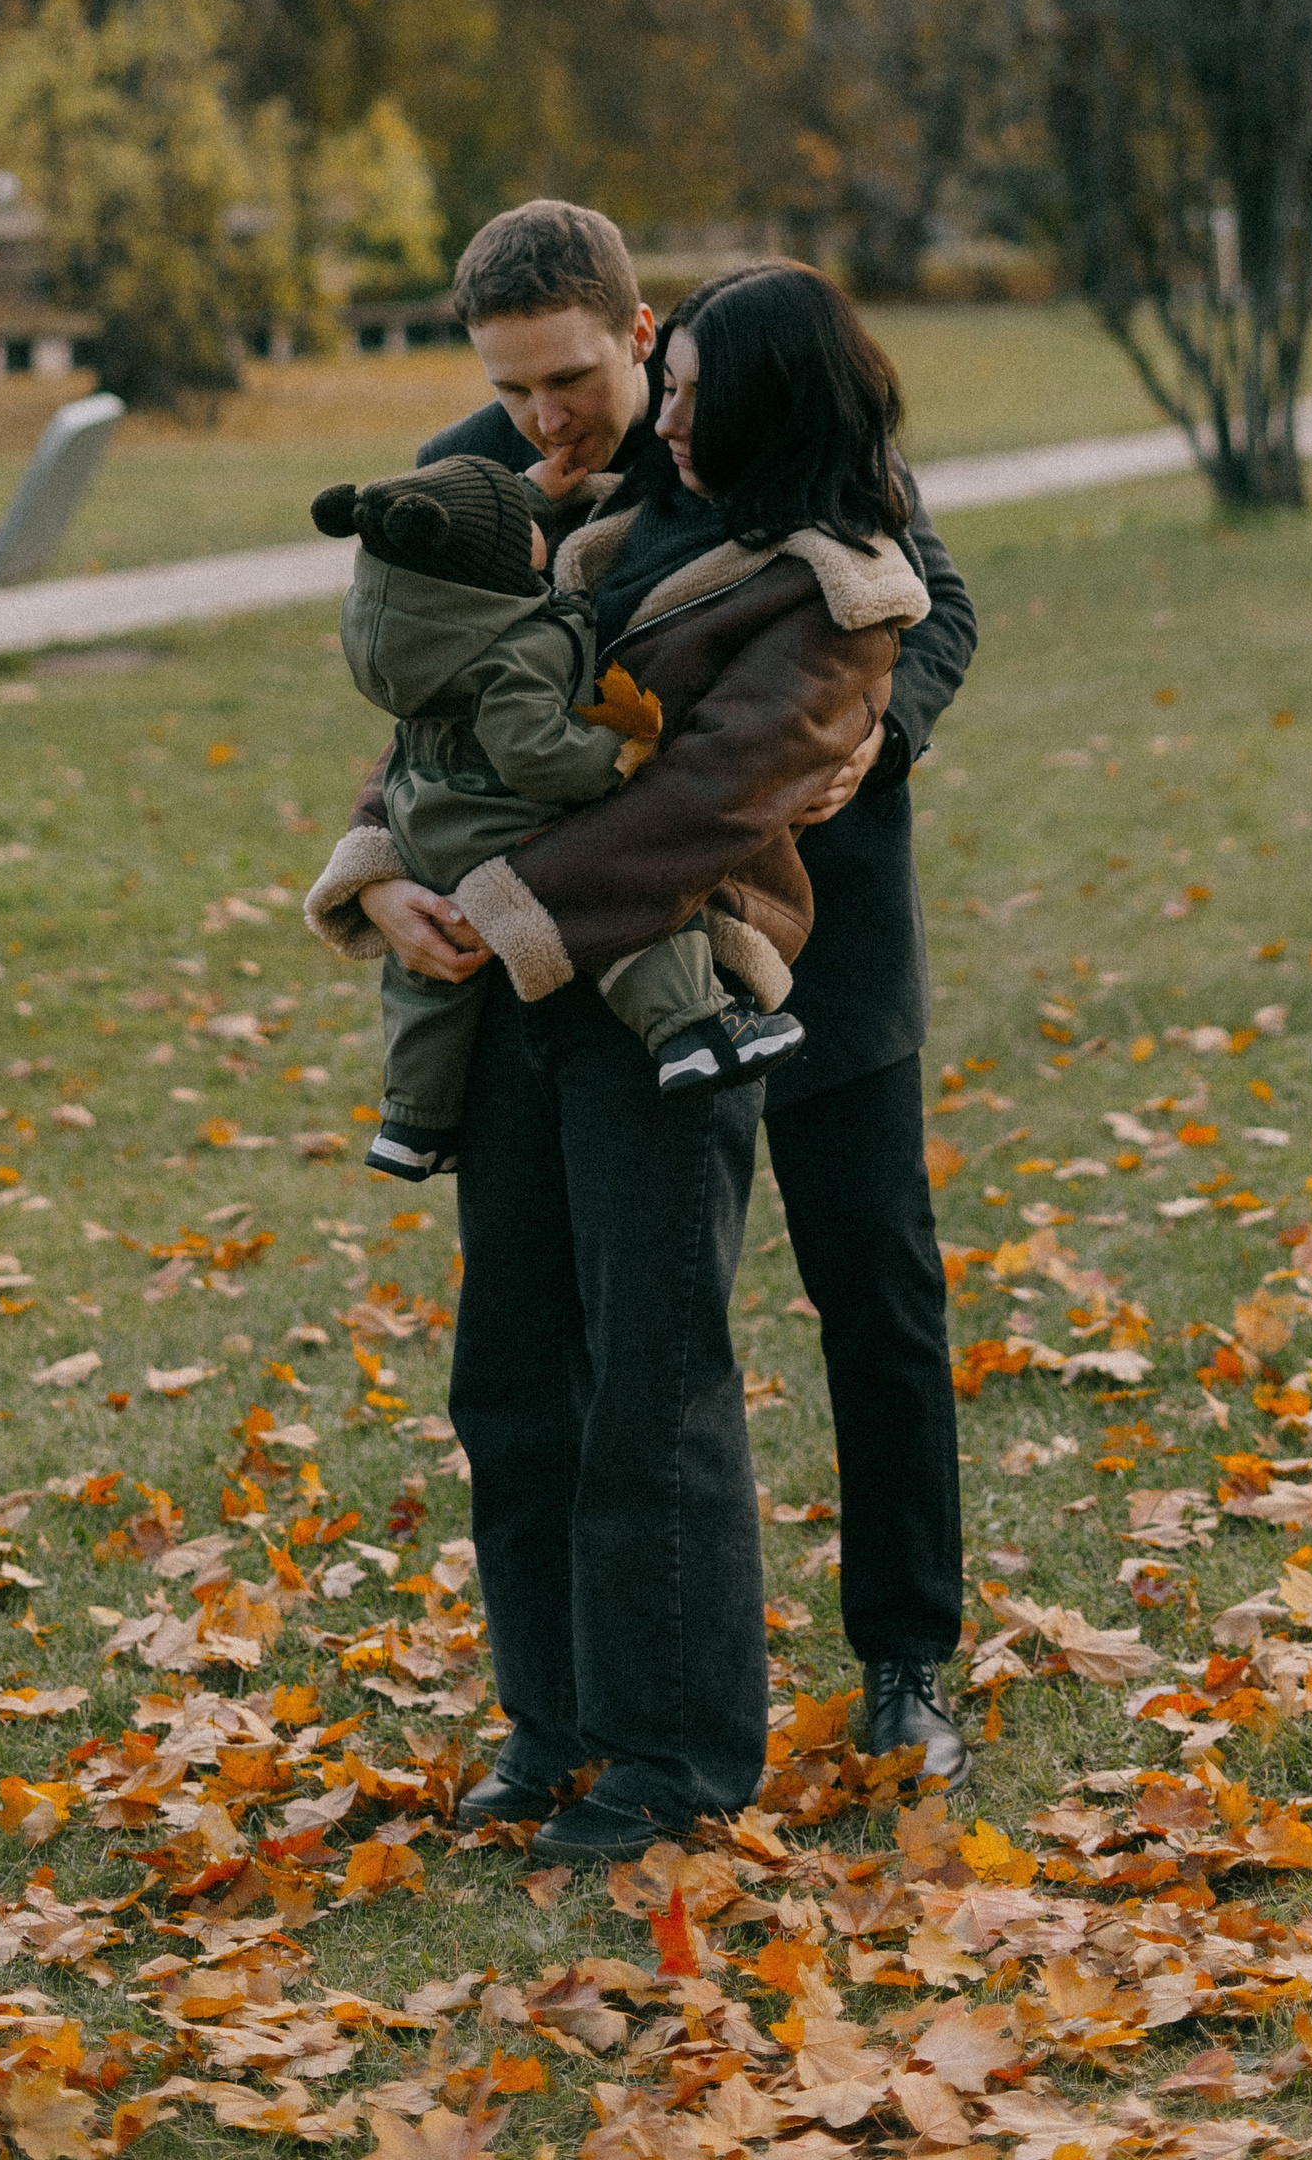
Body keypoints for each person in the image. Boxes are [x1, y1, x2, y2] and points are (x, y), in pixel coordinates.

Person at [306, 240, 970, 1860]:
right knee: (546, 1363)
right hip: (572, 984)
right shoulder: (505, 482)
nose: (543, 418)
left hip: (804, 931)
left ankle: (905, 1661)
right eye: (510, 388)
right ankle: (575, 1726)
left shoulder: (803, 469)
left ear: (646, 345)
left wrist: (851, 745)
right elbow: (445, 711)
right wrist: (382, 869)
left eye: (576, 383)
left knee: (865, 1291)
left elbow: (919, 616)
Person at [309, 452, 803, 1184]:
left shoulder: (406, 615)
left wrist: (523, 496)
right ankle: (694, 1030)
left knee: (428, 988)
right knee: (628, 918)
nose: (539, 527)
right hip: (508, 826)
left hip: (427, 827)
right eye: (524, 528)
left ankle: (413, 1120)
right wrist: (613, 752)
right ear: (502, 563)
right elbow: (535, 754)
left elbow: (478, 532)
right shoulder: (516, 648)